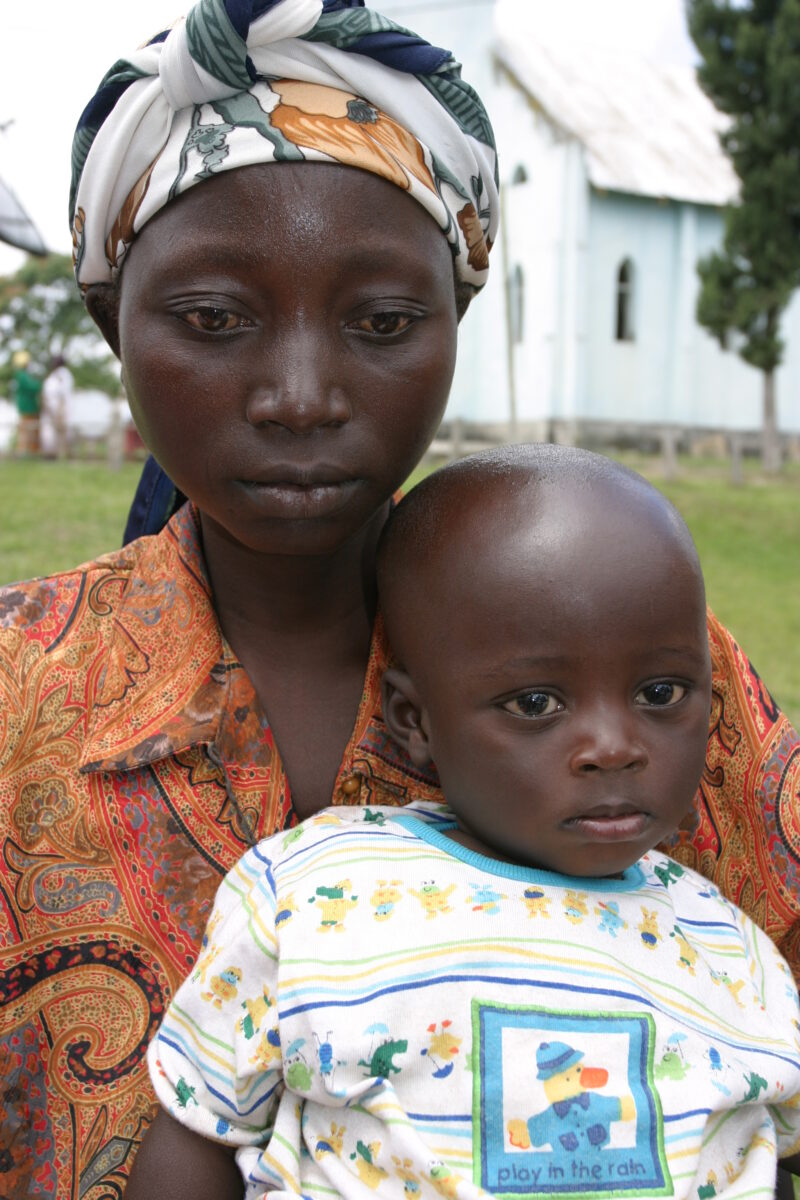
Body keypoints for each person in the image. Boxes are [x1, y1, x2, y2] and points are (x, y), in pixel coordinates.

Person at [0, 0, 796, 1196]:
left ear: (457, 316)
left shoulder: (646, 673)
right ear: (114, 320)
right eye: (213, 320)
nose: (300, 394)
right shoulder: (20, 694)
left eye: (381, 322)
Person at [126, 447, 800, 1200]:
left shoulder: (736, 953)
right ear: (414, 721)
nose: (614, 746)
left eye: (661, 691)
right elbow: (200, 1129)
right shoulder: (315, 899)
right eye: (537, 703)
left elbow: (756, 1154)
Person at [40, 354, 74, 458]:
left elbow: (63, 396)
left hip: (59, 410)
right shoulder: (53, 376)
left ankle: (64, 455)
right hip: (49, 409)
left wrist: (60, 412)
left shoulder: (64, 375)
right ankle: (51, 455)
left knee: (61, 433)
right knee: (49, 434)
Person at [11, 348, 42, 454]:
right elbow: (33, 387)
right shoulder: (22, 375)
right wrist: (40, 384)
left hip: (28, 407)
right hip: (27, 408)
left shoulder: (22, 374)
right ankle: (25, 451)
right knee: (27, 430)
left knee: (30, 430)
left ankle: (31, 451)